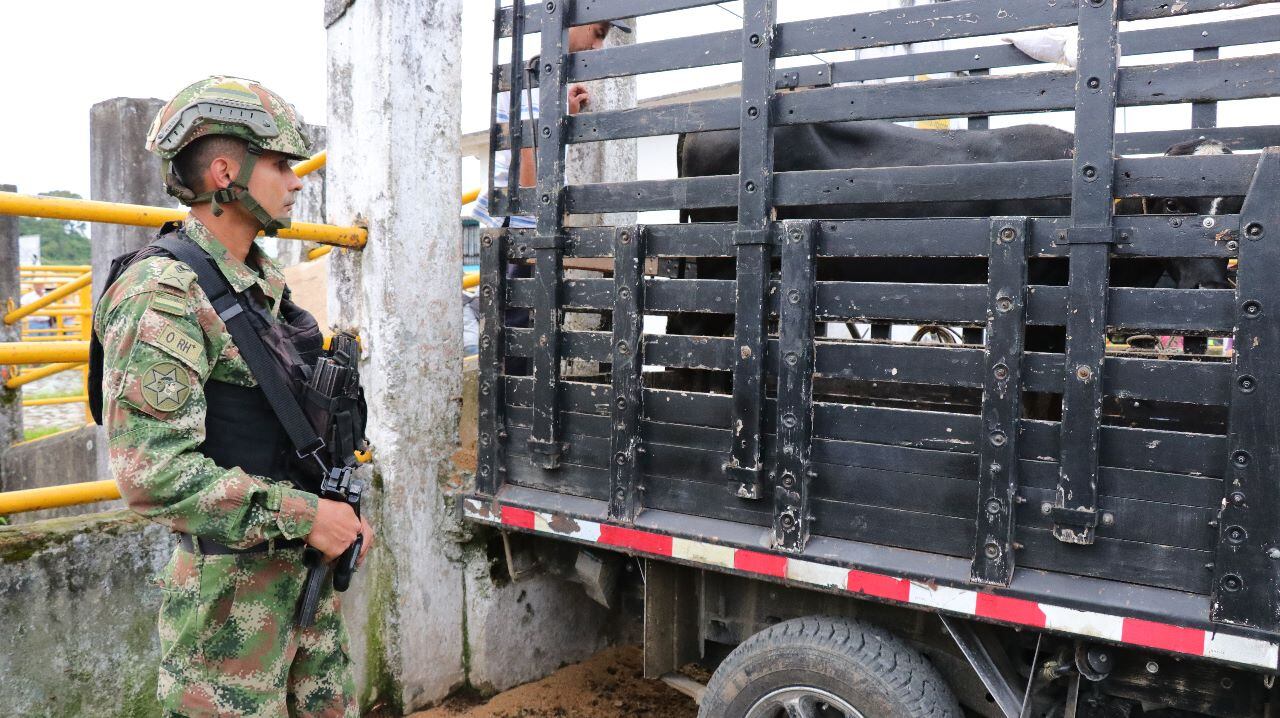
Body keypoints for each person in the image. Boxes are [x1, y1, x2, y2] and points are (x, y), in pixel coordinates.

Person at [92, 76, 373, 717]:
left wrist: (338, 509)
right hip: (228, 615)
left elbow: (289, 421)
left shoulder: (257, 281)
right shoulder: (162, 291)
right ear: (226, 171)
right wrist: (307, 516)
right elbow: (153, 473)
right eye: (280, 164)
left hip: (304, 584)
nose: (297, 181)